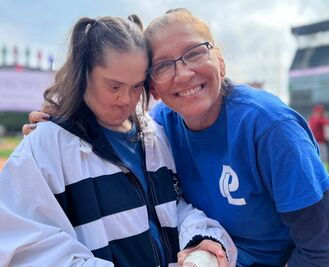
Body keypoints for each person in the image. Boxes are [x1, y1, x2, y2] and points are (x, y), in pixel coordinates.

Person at [23, 9, 329, 267]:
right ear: (152, 87)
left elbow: (324, 247)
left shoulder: (268, 127)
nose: (182, 73)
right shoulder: (160, 128)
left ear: (219, 60)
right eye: (163, 66)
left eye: (194, 52)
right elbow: (112, 127)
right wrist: (61, 122)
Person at [0, 15, 237, 267]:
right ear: (84, 74)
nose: (126, 99)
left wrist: (202, 242)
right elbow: (27, 250)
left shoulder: (153, 135)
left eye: (136, 86)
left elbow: (174, 207)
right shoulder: (46, 144)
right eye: (114, 86)